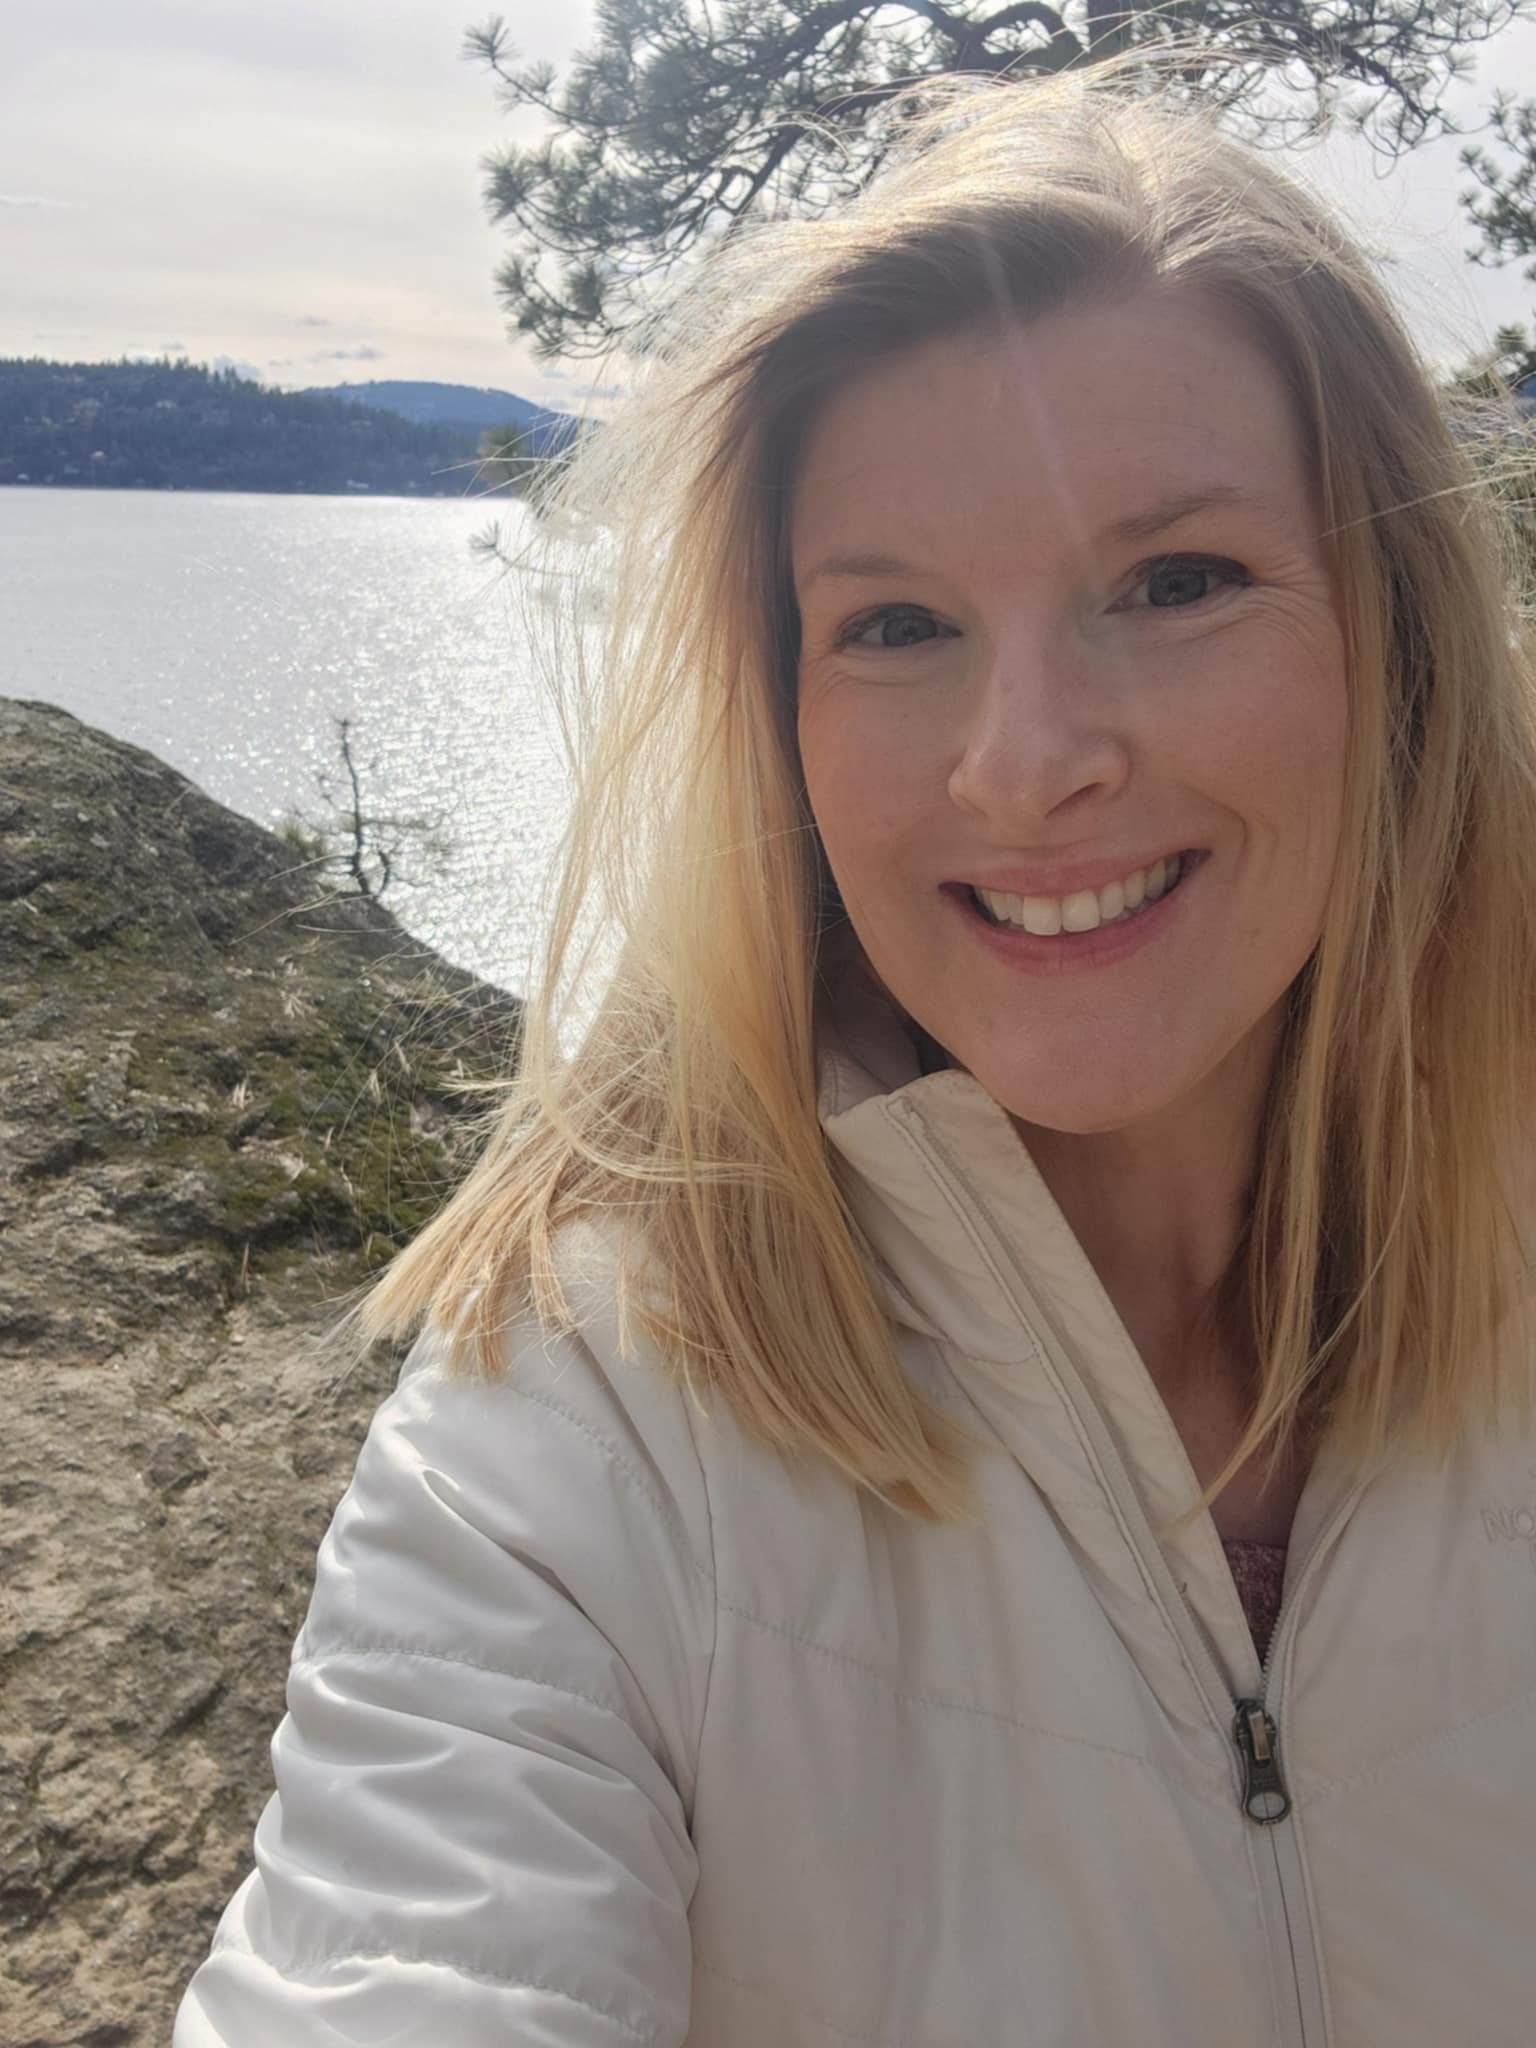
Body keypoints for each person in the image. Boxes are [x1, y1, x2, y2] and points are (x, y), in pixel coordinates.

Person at [175, 65, 1536, 2048]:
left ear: (1394, 645)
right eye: (896, 625)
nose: (1024, 759)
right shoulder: (585, 1423)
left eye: (1175, 581)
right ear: (780, 718)